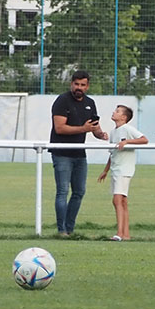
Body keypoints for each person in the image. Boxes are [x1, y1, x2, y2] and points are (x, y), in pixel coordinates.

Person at [49, 70, 108, 236]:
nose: (79, 88)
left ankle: (70, 228)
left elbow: (94, 127)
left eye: (83, 85)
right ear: (71, 84)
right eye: (76, 84)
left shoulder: (90, 103)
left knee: (79, 192)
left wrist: (101, 135)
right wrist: (83, 129)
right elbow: (60, 128)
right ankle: (61, 231)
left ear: (87, 86)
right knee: (62, 191)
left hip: (79, 154)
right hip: (61, 153)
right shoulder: (62, 101)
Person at [98, 105, 148, 241]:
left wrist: (127, 141)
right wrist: (105, 170)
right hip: (115, 169)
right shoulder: (113, 132)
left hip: (124, 169)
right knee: (123, 201)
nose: (114, 112)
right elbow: (112, 153)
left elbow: (144, 139)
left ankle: (119, 233)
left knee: (117, 200)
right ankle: (126, 234)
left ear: (124, 117)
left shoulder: (127, 129)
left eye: (118, 111)